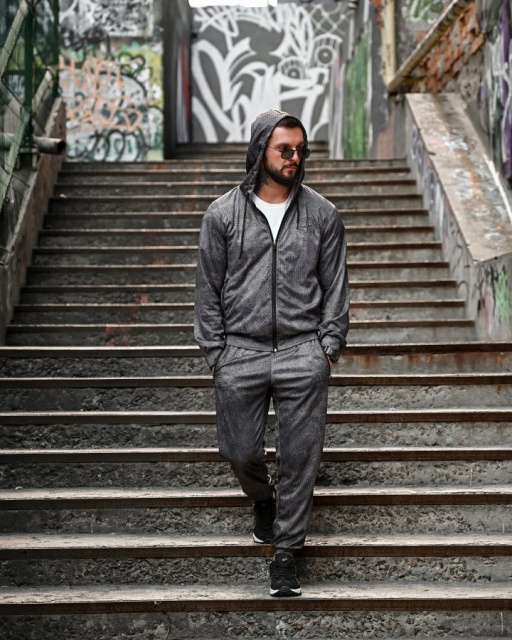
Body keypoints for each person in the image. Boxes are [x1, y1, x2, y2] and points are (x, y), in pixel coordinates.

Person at [194, 110, 349, 597]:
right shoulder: (222, 215)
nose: (294, 157)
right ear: (260, 149)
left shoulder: (323, 215)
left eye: (301, 150)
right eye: (285, 149)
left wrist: (327, 349)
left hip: (303, 351)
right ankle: (262, 497)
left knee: (300, 457)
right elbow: (207, 291)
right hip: (240, 351)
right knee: (240, 451)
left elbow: (336, 289)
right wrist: (216, 354)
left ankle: (286, 554)